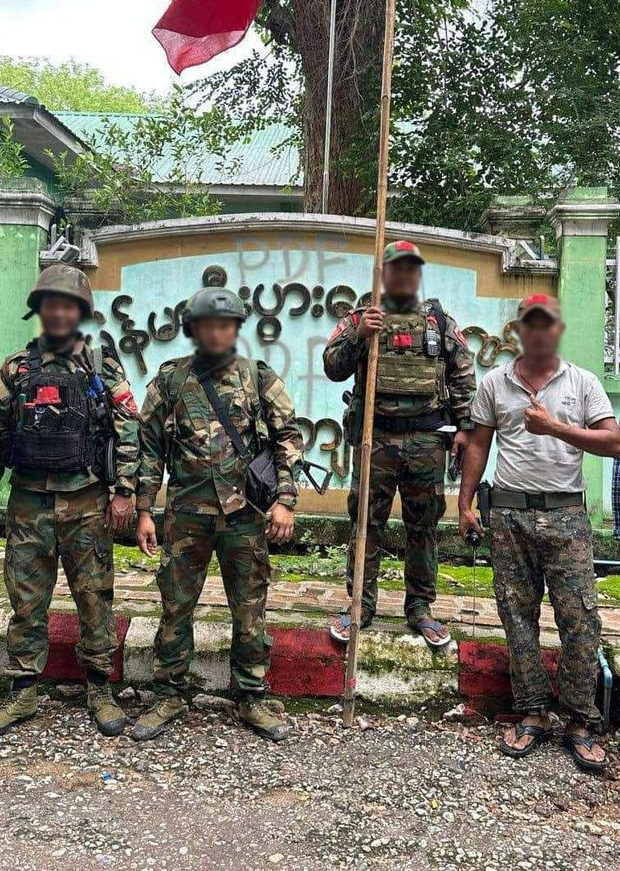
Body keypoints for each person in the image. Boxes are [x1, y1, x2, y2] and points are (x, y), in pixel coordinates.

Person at [0, 263, 139, 739]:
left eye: (67, 305)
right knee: (26, 601)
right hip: (28, 503)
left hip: (87, 502)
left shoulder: (101, 366)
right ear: (40, 311)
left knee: (94, 598)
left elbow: (129, 428)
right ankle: (24, 691)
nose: (59, 312)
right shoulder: (16, 368)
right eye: (51, 304)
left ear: (80, 311)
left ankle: (99, 689)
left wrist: (123, 491)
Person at [459, 293, 620, 775]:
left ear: (557, 329)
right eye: (530, 323)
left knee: (581, 621)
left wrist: (555, 428)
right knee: (517, 617)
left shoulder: (582, 383)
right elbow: (478, 444)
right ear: (519, 331)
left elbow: (614, 442)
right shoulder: (495, 383)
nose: (538, 331)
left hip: (566, 517)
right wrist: (465, 503)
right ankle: (532, 712)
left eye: (546, 323)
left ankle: (579, 720)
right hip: (508, 517)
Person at [132, 287, 302, 742]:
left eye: (225, 325)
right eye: (209, 324)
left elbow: (288, 437)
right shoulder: (170, 381)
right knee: (175, 606)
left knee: (249, 610)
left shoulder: (257, 376)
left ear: (235, 329)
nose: (217, 332)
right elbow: (148, 448)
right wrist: (144, 510)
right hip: (186, 514)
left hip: (243, 517)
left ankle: (250, 696)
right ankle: (169, 693)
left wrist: (284, 500)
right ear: (194, 329)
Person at [324, 240, 475, 648]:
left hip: (427, 439)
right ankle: (360, 606)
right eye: (397, 267)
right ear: (384, 272)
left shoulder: (438, 321)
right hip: (376, 436)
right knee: (365, 524)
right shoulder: (361, 316)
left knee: (422, 527)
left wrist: (464, 427)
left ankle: (420, 608)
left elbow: (462, 375)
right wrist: (359, 334)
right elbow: (333, 367)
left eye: (412, 268)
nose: (404, 275)